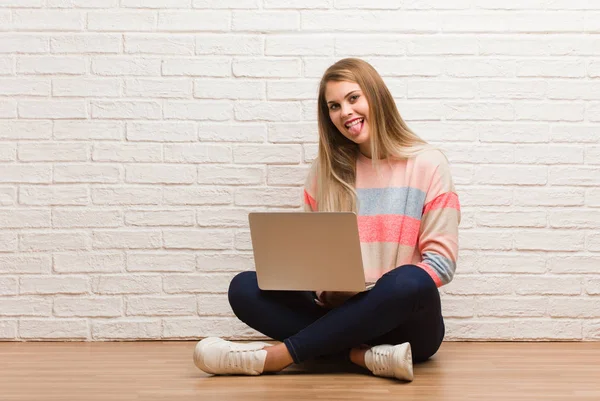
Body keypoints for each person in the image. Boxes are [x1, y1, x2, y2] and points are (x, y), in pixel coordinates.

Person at [193, 58, 461, 381]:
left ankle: (280, 355)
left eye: (352, 98)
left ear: (375, 96)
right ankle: (361, 356)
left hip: (405, 324)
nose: (344, 112)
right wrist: (324, 289)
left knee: (411, 282)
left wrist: (371, 294)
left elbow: (441, 264)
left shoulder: (429, 164)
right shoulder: (324, 174)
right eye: (334, 106)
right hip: (338, 313)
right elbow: (312, 264)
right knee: (244, 288)